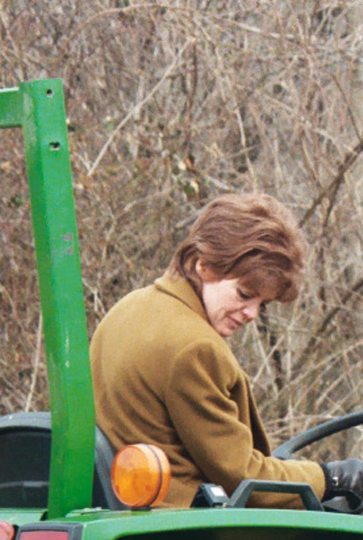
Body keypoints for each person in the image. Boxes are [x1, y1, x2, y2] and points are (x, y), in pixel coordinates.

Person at [90, 192, 363, 510]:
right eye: (245, 293)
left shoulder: (128, 308)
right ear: (202, 264)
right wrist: (334, 478)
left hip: (127, 507)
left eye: (263, 303)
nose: (251, 313)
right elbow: (244, 476)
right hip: (186, 525)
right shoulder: (195, 347)